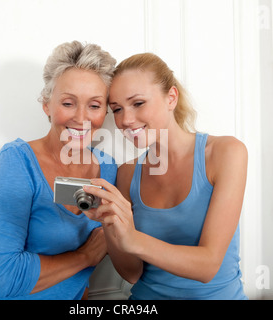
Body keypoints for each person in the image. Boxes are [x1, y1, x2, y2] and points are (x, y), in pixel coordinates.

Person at [0, 41, 117, 300]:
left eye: (94, 105)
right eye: (68, 103)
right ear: (46, 105)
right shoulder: (17, 162)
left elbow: (79, 281)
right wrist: (85, 257)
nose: (81, 117)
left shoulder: (108, 170)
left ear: (105, 111)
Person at [83, 53, 248, 300]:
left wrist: (132, 238)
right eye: (117, 109)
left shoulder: (226, 153)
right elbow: (131, 273)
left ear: (171, 98)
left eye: (138, 103)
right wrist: (111, 225)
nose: (126, 120)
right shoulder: (128, 172)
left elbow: (207, 266)